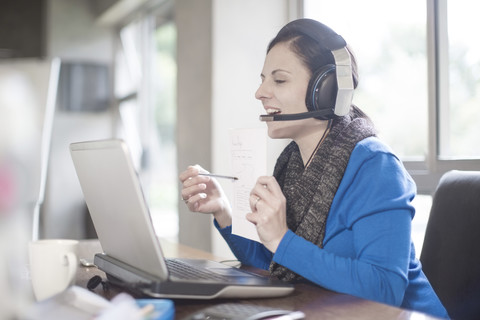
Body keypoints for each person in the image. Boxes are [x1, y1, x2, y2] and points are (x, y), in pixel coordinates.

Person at [179, 19, 449, 319]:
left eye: (279, 80)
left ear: (326, 90)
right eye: (263, 79)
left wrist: (282, 239)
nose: (260, 92)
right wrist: (224, 213)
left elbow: (385, 289)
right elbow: (274, 262)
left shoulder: (376, 166)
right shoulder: (292, 164)